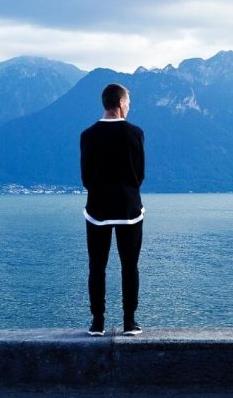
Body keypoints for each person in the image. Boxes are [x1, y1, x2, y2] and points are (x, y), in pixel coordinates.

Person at [80, 83, 145, 336]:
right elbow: (139, 174)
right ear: (119, 103)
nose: (129, 106)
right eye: (127, 102)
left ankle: (97, 322)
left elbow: (86, 177)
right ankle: (129, 322)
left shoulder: (88, 135)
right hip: (129, 209)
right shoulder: (135, 133)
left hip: (97, 209)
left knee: (97, 267)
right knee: (129, 266)